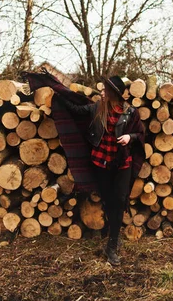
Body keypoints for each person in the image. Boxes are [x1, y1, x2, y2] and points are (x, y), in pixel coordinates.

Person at [59, 76, 145, 266]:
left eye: (106, 90)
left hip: (122, 163)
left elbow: (140, 134)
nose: (102, 92)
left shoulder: (130, 112)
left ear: (114, 93)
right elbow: (76, 110)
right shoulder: (97, 108)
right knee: (107, 201)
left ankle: (112, 246)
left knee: (119, 201)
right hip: (101, 163)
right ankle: (113, 233)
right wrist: (58, 91)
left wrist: (130, 137)